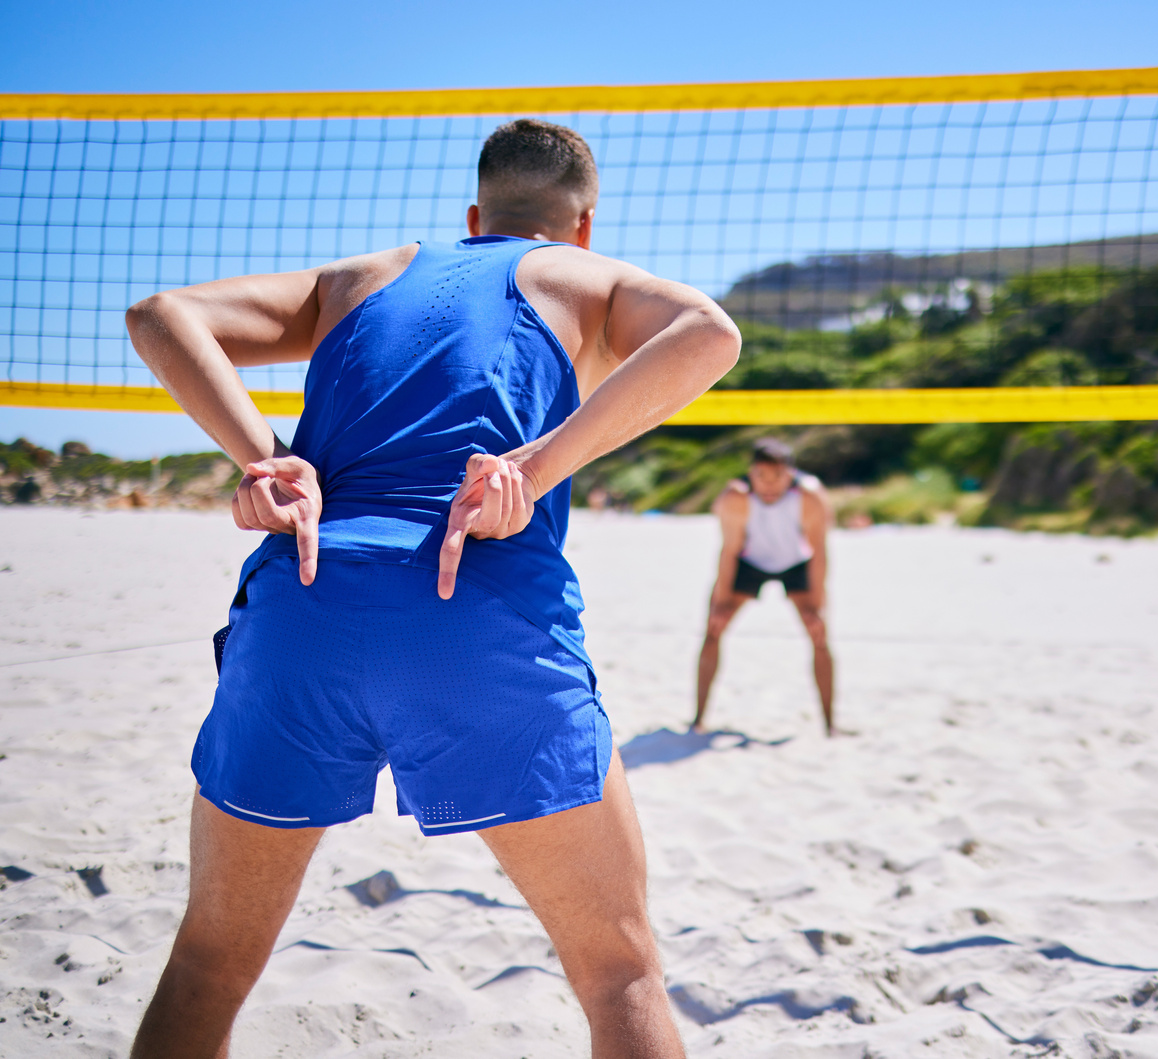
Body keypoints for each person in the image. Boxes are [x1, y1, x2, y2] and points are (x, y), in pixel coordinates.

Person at [123, 118, 739, 1059]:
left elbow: (160, 313)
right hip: (475, 608)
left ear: (471, 212)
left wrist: (266, 461)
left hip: (305, 603)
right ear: (582, 226)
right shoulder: (586, 277)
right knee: (619, 975)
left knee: (209, 960)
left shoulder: (356, 278)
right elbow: (711, 334)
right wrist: (531, 469)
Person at [692, 439, 837, 736]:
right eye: (761, 476)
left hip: (796, 562)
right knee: (714, 629)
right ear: (750, 473)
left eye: (777, 477)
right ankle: (698, 720)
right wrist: (721, 602)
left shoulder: (810, 496)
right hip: (749, 561)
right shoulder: (735, 498)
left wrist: (817, 606)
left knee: (819, 634)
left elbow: (819, 551)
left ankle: (830, 725)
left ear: (790, 474)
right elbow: (729, 549)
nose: (769, 485)